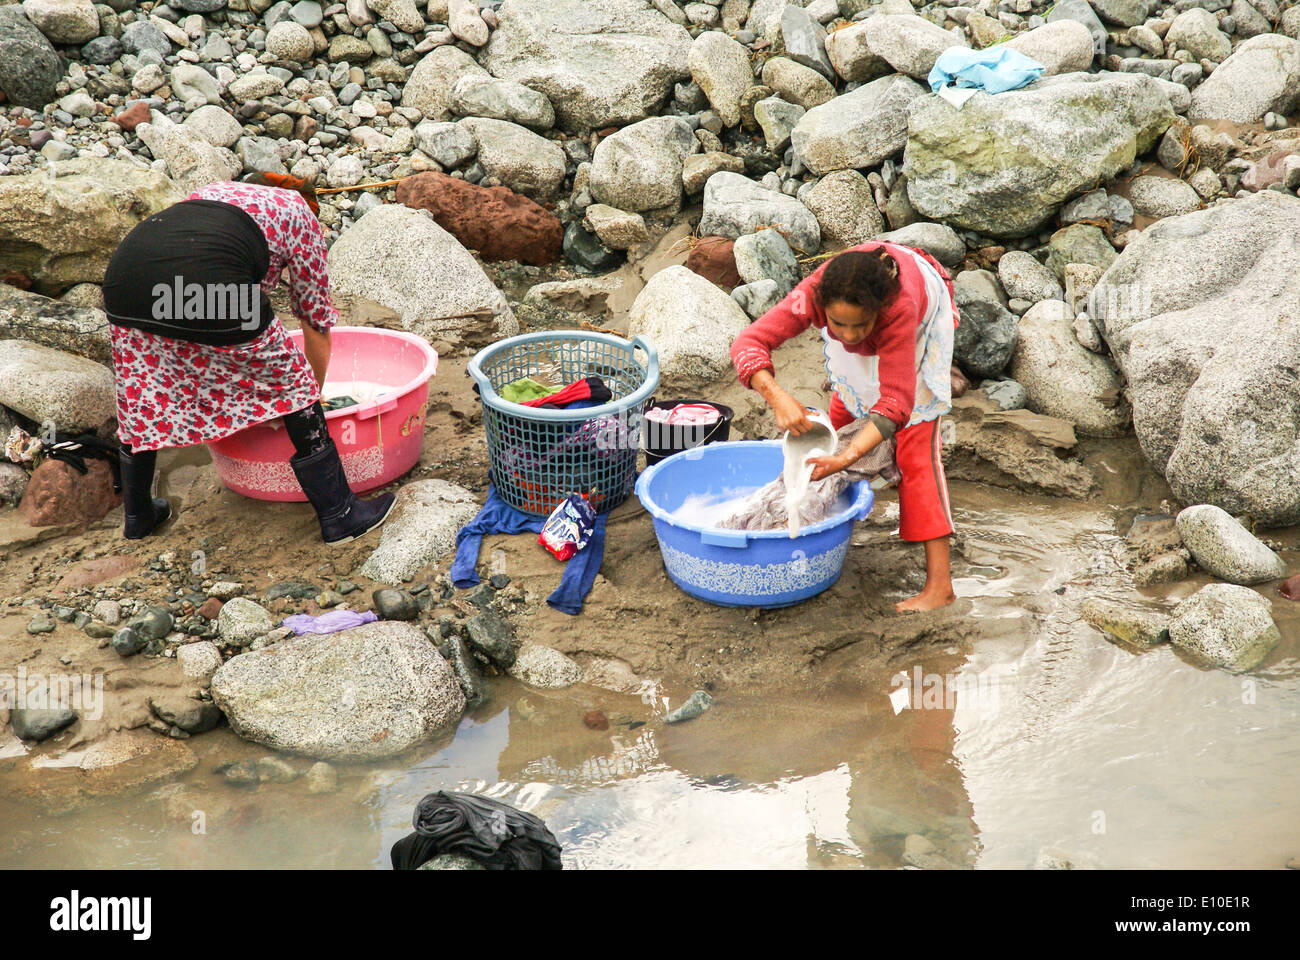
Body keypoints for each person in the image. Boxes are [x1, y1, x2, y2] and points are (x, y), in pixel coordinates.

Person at [101, 173, 395, 543]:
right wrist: (306, 397)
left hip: (125, 281)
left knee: (143, 386)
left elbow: (191, 302)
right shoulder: (298, 211)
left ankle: (139, 515)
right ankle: (341, 513)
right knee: (292, 377)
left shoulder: (214, 192)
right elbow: (315, 321)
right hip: (207, 283)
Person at [730, 240, 959, 612]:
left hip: (920, 326)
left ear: (878, 313)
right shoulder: (814, 294)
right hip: (869, 311)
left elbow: (897, 405)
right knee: (838, 422)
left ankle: (940, 587)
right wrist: (777, 396)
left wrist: (849, 456)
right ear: (822, 308)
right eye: (838, 324)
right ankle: (816, 528)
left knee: (917, 453)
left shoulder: (898, 310)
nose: (850, 337)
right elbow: (748, 341)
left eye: (860, 326)